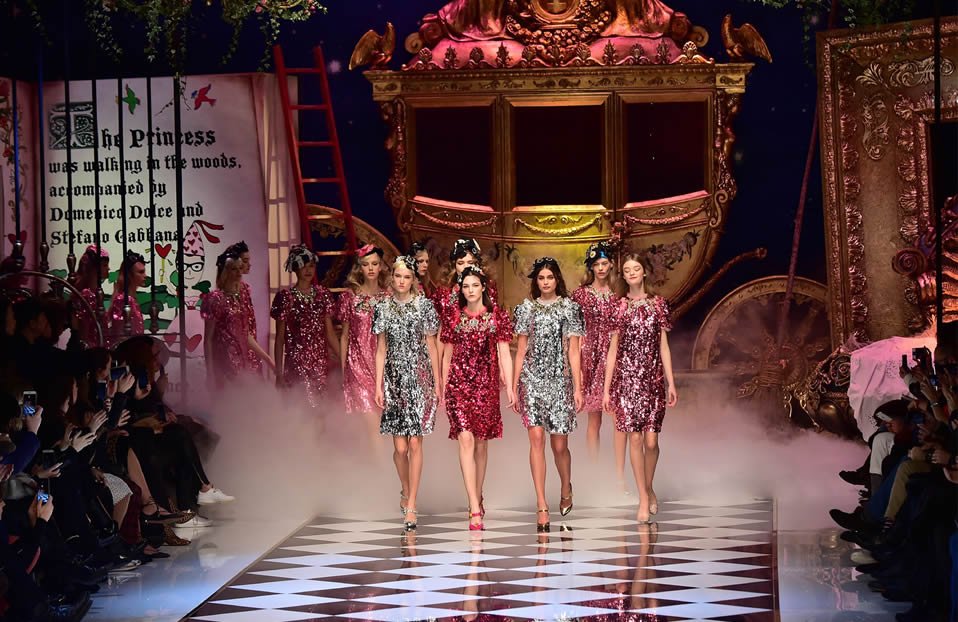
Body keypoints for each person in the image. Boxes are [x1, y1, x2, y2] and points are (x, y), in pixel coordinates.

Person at [603, 253, 677, 525]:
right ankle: (643, 498)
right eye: (627, 270)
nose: (632, 273)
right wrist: (606, 389)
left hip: (652, 380)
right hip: (626, 381)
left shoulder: (658, 305)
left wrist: (671, 381)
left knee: (651, 441)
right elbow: (613, 350)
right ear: (623, 275)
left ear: (645, 272)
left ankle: (648, 486)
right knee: (634, 439)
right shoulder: (619, 306)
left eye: (636, 268)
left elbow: (664, 346)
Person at [440, 266, 514, 531]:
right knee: (466, 439)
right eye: (466, 286)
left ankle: (478, 494)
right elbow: (447, 355)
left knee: (481, 444)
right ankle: (473, 506)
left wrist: (510, 385)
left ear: (483, 287)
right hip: (458, 386)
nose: (470, 290)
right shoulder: (454, 317)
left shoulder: (496, 317)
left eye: (475, 285)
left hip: (486, 387)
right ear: (461, 290)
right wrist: (442, 386)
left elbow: (504, 353)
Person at [512, 257, 584, 531]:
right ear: (536, 281)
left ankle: (566, 486)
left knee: (559, 446)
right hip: (531, 380)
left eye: (550, 277)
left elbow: (574, 351)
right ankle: (541, 504)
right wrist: (514, 386)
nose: (545, 282)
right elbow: (521, 349)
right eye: (541, 278)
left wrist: (577, 387)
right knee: (536, 439)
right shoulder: (526, 309)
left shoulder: (569, 308)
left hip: (559, 381)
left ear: (557, 280)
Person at [373, 255, 441, 531]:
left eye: (407, 277)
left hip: (420, 379)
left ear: (414, 280)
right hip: (394, 381)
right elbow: (381, 349)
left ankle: (412, 503)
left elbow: (432, 345)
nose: (402, 281)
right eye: (398, 276)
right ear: (392, 278)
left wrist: (437, 381)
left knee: (415, 443)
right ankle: (405, 487)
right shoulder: (383, 308)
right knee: (400, 449)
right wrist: (378, 384)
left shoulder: (424, 306)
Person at [271, 245, 339, 407]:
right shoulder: (286, 297)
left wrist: (344, 361)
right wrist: (278, 374)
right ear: (295, 268)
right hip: (297, 364)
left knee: (323, 408)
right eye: (303, 266)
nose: (308, 270)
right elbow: (279, 339)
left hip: (321, 364)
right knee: (302, 408)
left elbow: (330, 333)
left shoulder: (322, 295)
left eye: (311, 266)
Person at [571, 241, 620, 462]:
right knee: (595, 419)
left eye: (604, 263)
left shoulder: (618, 294)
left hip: (614, 355)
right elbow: (575, 332)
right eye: (596, 264)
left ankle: (619, 470)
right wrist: (579, 369)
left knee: (618, 416)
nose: (600, 268)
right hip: (590, 356)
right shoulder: (581, 295)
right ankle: (594, 466)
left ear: (611, 265)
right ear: (590, 267)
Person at [337, 244, 390, 443]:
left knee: (384, 426)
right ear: (359, 267)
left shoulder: (388, 298)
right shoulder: (350, 297)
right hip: (357, 368)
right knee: (372, 426)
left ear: (381, 266)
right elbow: (344, 336)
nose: (371, 268)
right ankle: (380, 464)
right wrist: (344, 371)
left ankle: (380, 460)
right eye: (366, 264)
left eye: (375, 264)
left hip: (383, 368)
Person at [201, 251, 273, 388]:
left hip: (243, 362)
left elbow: (245, 335)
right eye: (234, 269)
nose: (239, 272)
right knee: (229, 397)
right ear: (225, 271)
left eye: (240, 268)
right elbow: (208, 339)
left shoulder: (242, 297)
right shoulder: (215, 299)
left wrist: (268, 359)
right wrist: (210, 372)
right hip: (224, 363)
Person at [431, 238, 498, 361]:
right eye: (460, 263)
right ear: (454, 265)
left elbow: (494, 327)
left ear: (478, 264)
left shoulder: (488, 289)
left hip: (482, 356)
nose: (466, 267)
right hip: (452, 357)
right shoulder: (444, 292)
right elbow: (442, 332)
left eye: (470, 262)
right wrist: (439, 365)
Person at [225, 241, 261, 372]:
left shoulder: (245, 289)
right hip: (236, 353)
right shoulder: (227, 294)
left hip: (250, 349)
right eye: (245, 261)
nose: (249, 265)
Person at [71, 245, 110, 348]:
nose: (108, 268)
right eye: (105, 265)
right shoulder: (87, 295)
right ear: (94, 268)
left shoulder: (94, 293)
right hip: (92, 350)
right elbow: (85, 331)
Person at [107, 251, 147, 346]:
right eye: (141, 272)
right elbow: (119, 335)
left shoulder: (131, 298)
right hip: (127, 350)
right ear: (129, 275)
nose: (145, 275)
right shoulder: (123, 299)